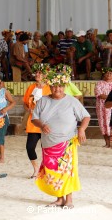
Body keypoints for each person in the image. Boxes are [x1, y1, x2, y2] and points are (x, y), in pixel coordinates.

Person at [32, 70, 90, 208]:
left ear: (64, 86)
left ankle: (69, 199)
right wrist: (42, 124)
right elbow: (34, 118)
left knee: (66, 170)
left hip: (66, 142)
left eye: (60, 86)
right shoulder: (43, 101)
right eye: (54, 86)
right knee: (53, 171)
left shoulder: (72, 101)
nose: (57, 89)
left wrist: (81, 129)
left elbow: (86, 116)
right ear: (49, 86)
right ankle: (59, 198)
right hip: (48, 143)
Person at [23, 64, 51, 178]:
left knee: (47, 148)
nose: (37, 75)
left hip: (46, 122)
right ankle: (36, 169)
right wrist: (28, 109)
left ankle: (48, 170)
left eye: (40, 73)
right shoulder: (31, 87)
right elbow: (25, 103)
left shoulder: (50, 88)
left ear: (45, 75)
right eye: (37, 72)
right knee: (30, 147)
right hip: (33, 122)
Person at [94, 67, 112, 147]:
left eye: (111, 73)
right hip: (102, 107)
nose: (109, 74)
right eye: (107, 73)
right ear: (104, 74)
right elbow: (100, 95)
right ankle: (107, 143)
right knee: (103, 124)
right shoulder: (99, 83)